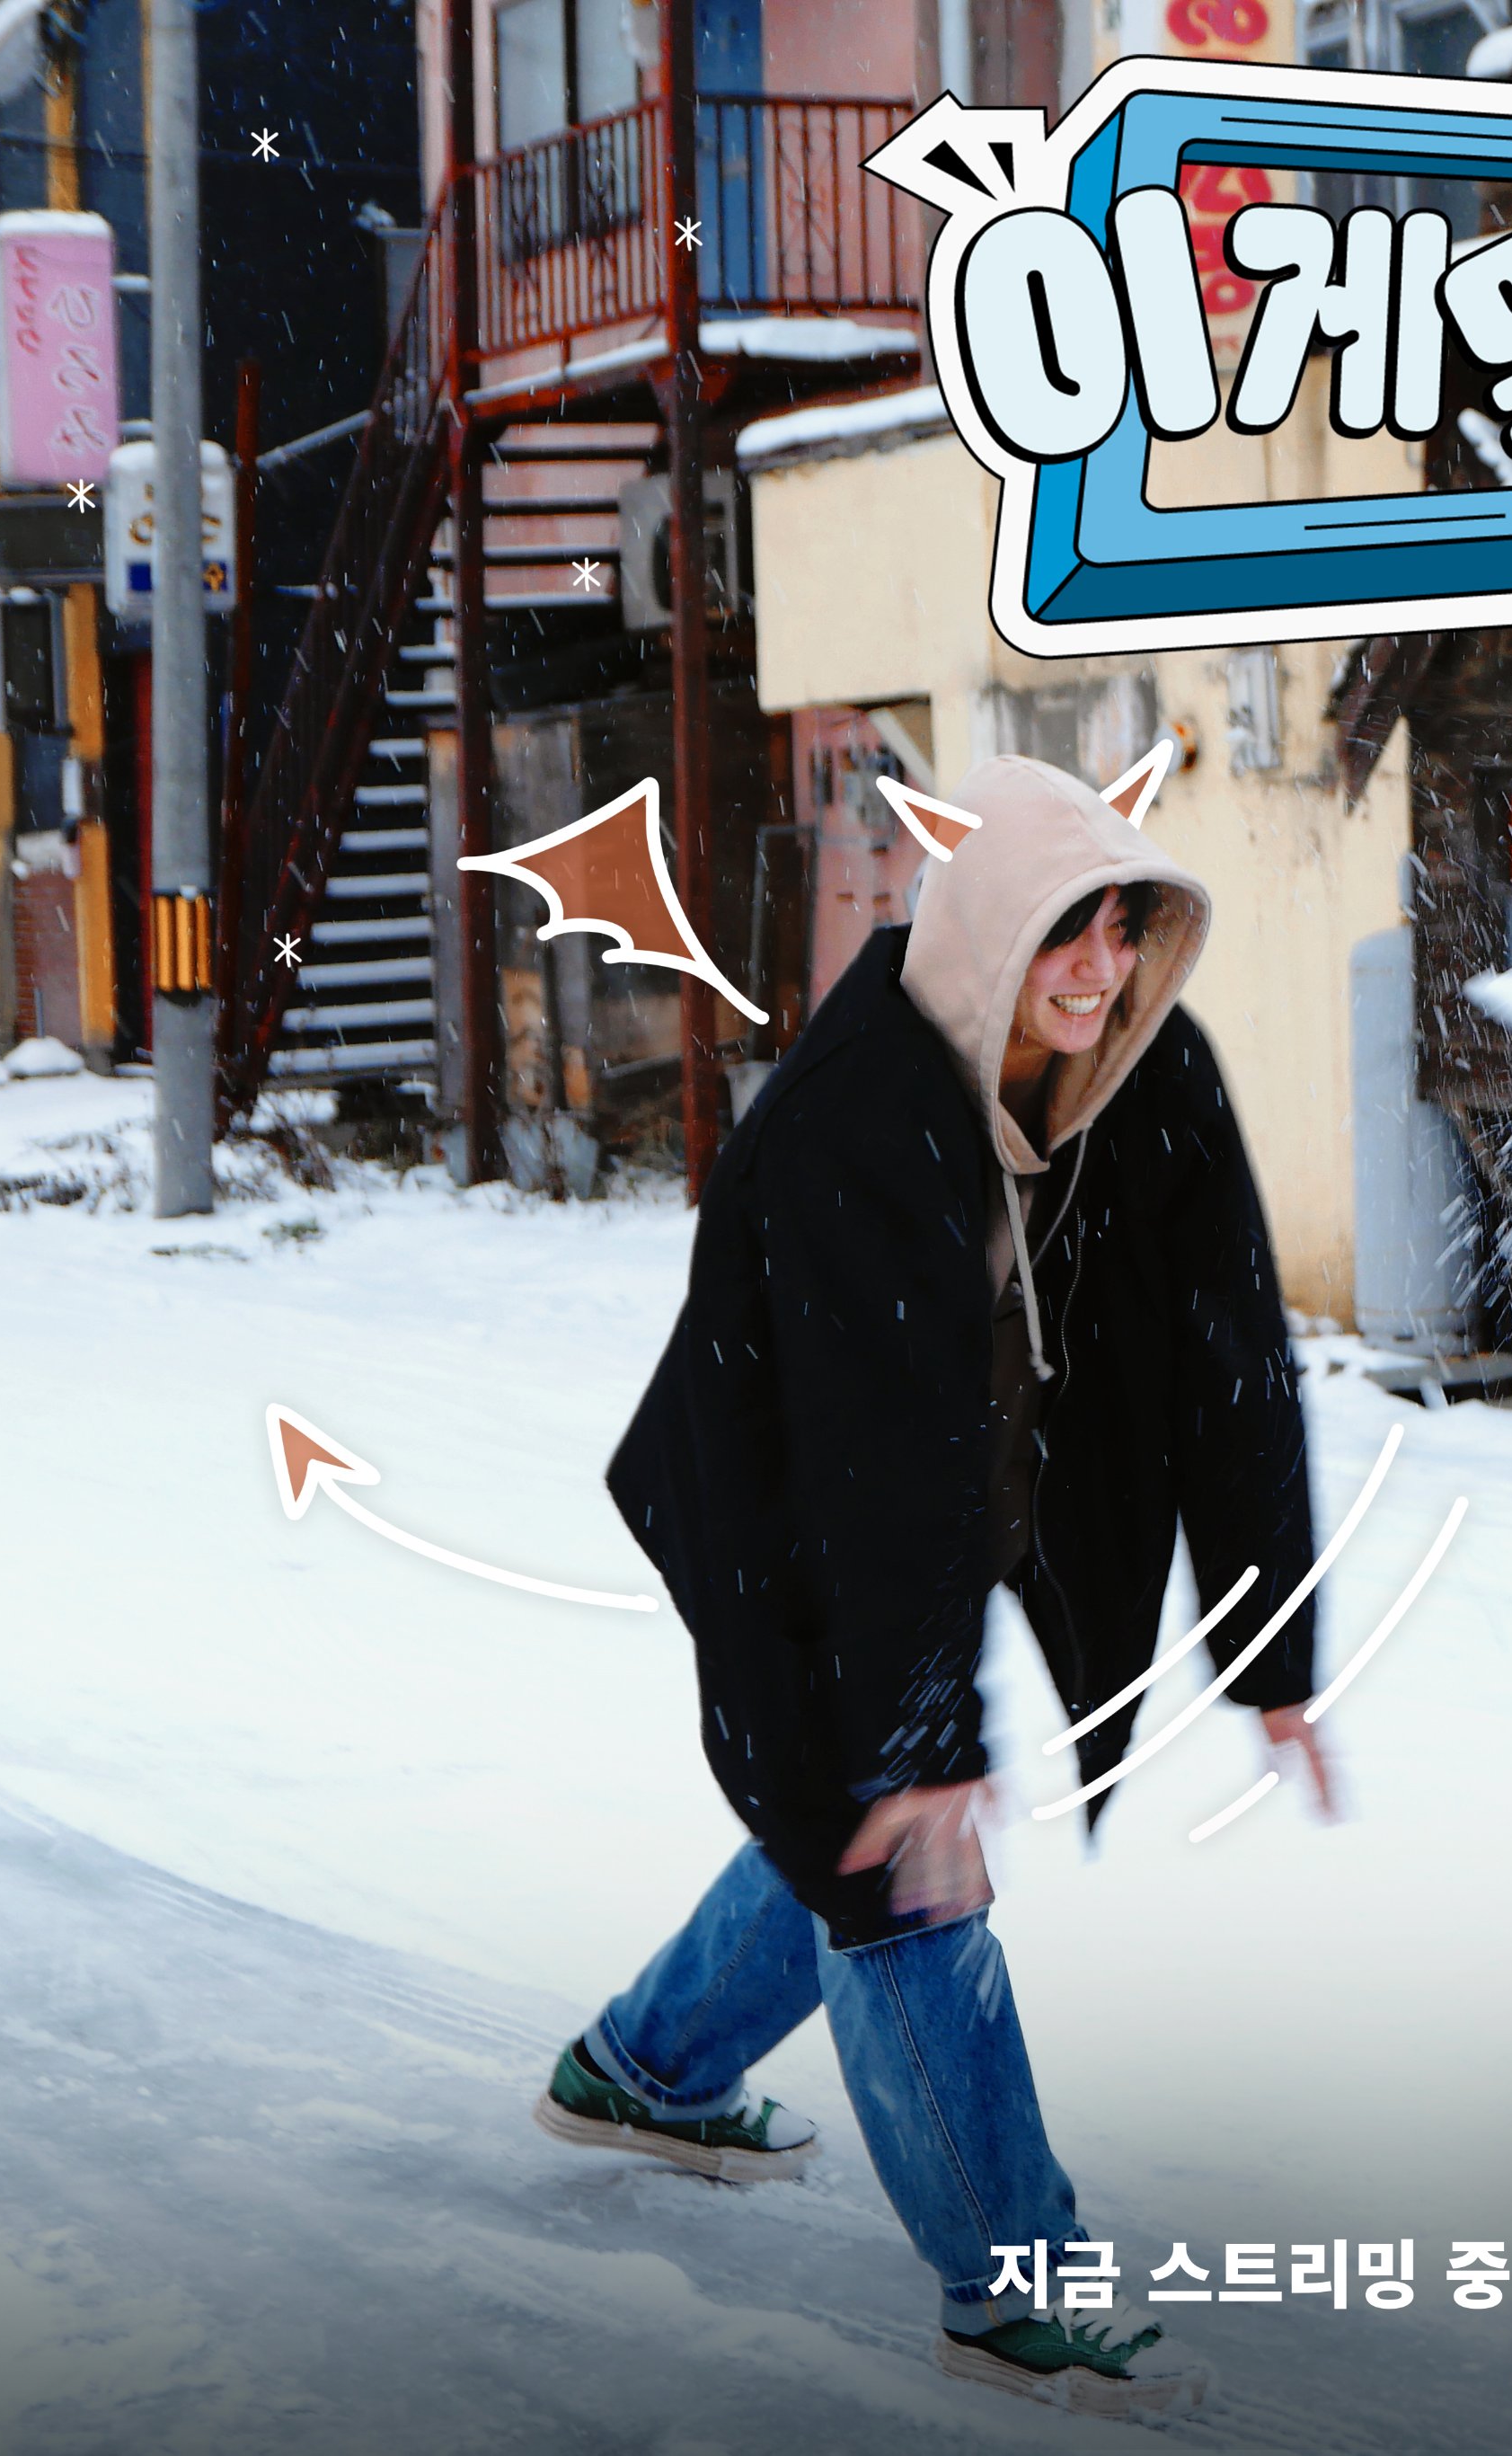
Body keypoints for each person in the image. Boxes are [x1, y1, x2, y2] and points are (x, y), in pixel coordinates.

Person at [531, 751, 1332, 2423]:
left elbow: (1233, 1350)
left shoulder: (1145, 1066)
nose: (1100, 969)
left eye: (1125, 926)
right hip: (777, 1504)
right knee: (898, 1855)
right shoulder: (863, 1110)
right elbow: (868, 1458)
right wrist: (919, 1734)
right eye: (1066, 930)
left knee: (863, 1815)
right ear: (990, 926)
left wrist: (1271, 1646)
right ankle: (1013, 2284)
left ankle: (642, 2070)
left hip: (971, 1492)